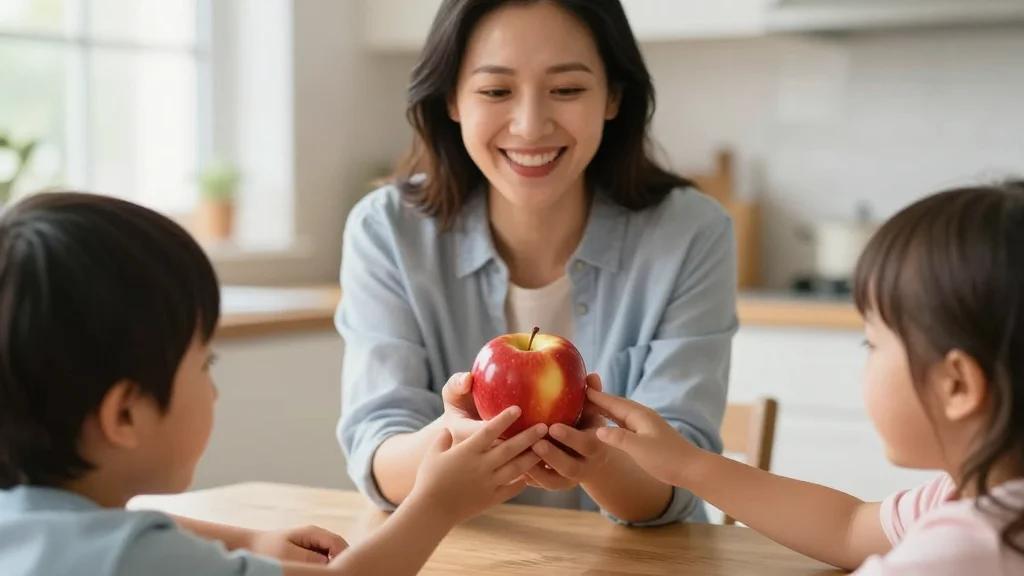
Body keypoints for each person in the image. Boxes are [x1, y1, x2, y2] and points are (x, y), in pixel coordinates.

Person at [0, 192, 547, 576]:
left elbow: (130, 528)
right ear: (124, 415)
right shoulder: (127, 560)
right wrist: (437, 504)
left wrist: (249, 542)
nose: (212, 389)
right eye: (203, 364)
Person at [338, 0, 736, 525]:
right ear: (452, 100)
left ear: (613, 96)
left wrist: (596, 462)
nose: (530, 126)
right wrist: (459, 439)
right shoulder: (385, 229)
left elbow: (681, 478)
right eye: (495, 91)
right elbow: (378, 456)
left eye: (567, 89)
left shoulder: (692, 233)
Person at [587, 182, 1024, 574]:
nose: (866, 361)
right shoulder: (967, 499)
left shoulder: (965, 546)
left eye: (871, 344)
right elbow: (847, 528)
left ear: (957, 385)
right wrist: (686, 464)